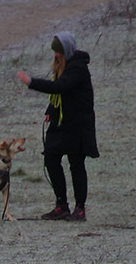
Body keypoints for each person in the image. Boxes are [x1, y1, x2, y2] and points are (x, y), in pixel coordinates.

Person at [16, 31, 98, 221]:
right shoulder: (64, 66)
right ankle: (61, 205)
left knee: (76, 165)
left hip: (78, 126)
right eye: (54, 52)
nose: (55, 55)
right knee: (51, 159)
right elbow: (60, 95)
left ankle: (80, 209)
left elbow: (60, 87)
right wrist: (51, 110)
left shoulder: (77, 69)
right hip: (62, 123)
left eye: (58, 52)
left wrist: (31, 82)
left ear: (66, 51)